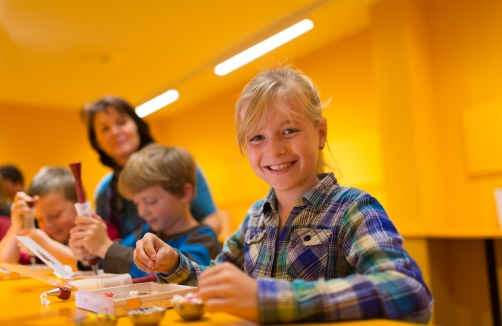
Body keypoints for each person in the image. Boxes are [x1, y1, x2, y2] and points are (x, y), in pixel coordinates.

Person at [133, 67, 434, 324]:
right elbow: (220, 284)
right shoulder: (255, 216)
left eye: (289, 130)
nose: (273, 150)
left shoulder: (352, 208)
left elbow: (409, 290)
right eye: (257, 138)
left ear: (321, 133)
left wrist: (270, 299)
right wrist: (173, 263)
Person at [81, 96, 222, 239]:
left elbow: (212, 218)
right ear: (97, 142)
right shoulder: (105, 190)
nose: (115, 132)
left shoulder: (175, 165)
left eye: (122, 122)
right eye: (105, 128)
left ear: (137, 126)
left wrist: (183, 255)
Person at [69, 144, 220, 278]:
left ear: (184, 193)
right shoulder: (146, 232)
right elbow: (112, 260)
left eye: (150, 201)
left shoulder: (203, 238)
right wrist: (89, 254)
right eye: (137, 203)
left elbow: (163, 273)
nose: (142, 212)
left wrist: (104, 247)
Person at [0, 167, 119, 266]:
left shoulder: (100, 232)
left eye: (55, 215)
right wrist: (16, 225)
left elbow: (86, 264)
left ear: (79, 205)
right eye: (40, 219)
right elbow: (5, 261)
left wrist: (45, 245)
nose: (47, 225)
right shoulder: (43, 235)